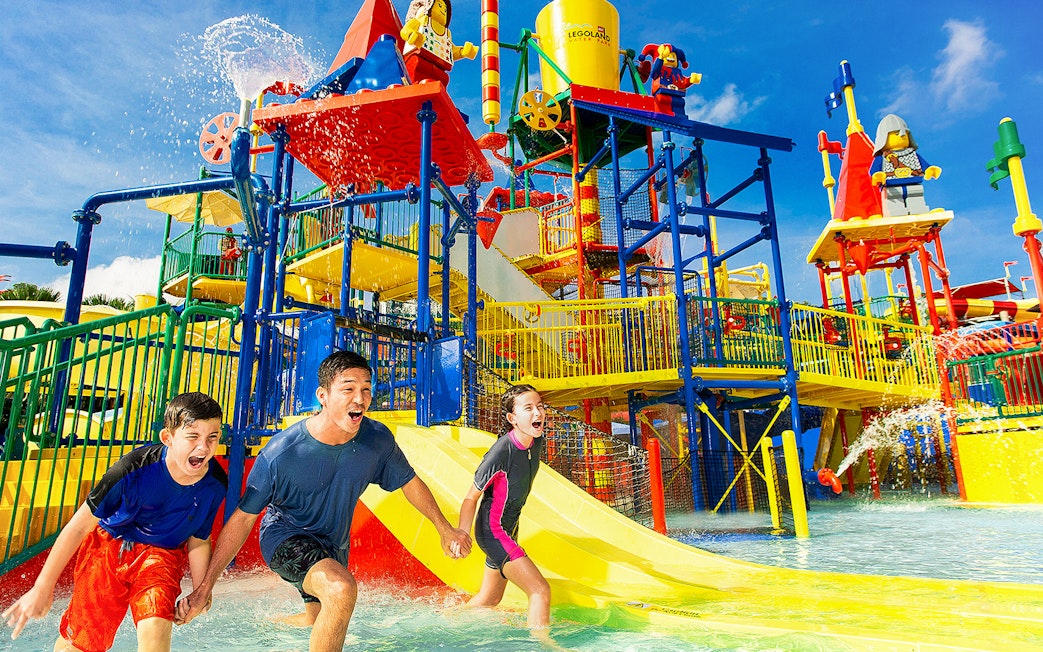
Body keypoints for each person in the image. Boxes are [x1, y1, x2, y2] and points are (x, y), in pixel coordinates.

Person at [177, 350, 472, 652]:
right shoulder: (282, 453)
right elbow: (242, 518)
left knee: (319, 617)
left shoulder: (377, 440)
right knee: (341, 589)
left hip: (333, 546)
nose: (360, 398)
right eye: (348, 389)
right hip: (285, 538)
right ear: (323, 395)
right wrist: (206, 586)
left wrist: (444, 528)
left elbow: (409, 483)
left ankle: (266, 628)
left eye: (367, 389)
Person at [3, 392, 227, 651]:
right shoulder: (131, 470)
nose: (204, 447)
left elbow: (198, 538)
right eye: (193, 436)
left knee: (155, 631)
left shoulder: (214, 484)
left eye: (213, 437)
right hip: (108, 549)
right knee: (80, 644)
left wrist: (200, 594)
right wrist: (42, 588)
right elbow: (78, 527)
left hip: (161, 557)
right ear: (168, 438)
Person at [457, 384, 552, 633]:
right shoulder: (501, 451)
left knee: (490, 600)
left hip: (510, 527)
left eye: (540, 406)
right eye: (528, 408)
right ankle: (543, 648)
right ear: (512, 418)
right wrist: (462, 533)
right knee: (539, 590)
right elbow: (470, 497)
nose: (537, 413)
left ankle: (448, 621)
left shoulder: (536, 439)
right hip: (493, 531)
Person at [870, 114, 942, 217]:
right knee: (894, 201)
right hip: (891, 186)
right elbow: (874, 170)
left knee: (916, 197)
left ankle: (919, 211)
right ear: (883, 138)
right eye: (896, 134)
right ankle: (896, 213)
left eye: (905, 134)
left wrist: (930, 170)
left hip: (913, 183)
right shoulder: (883, 157)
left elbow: (923, 164)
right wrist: (878, 176)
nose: (902, 136)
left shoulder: (912, 154)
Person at [400, 0, 478, 86]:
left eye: (445, 10)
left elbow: (450, 51)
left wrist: (462, 52)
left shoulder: (446, 34)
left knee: (443, 78)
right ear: (428, 6)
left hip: (439, 69)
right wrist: (411, 34)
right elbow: (405, 31)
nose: (443, 11)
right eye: (439, 6)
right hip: (418, 60)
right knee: (418, 69)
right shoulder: (420, 22)